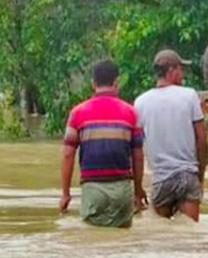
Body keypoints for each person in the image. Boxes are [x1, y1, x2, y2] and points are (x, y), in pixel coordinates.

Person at [59, 60, 147, 228]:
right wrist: (138, 191)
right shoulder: (131, 113)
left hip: (93, 189)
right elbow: (138, 155)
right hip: (122, 189)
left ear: (93, 84)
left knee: (93, 243)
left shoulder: (78, 113)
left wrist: (65, 194)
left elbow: (67, 154)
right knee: (122, 241)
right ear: (116, 82)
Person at [135, 50, 208, 222]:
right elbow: (202, 139)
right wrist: (200, 176)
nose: (182, 74)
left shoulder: (140, 102)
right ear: (171, 70)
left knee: (161, 237)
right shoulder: (190, 96)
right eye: (180, 69)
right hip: (188, 175)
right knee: (189, 232)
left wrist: (137, 188)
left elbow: (137, 148)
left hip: (161, 178)